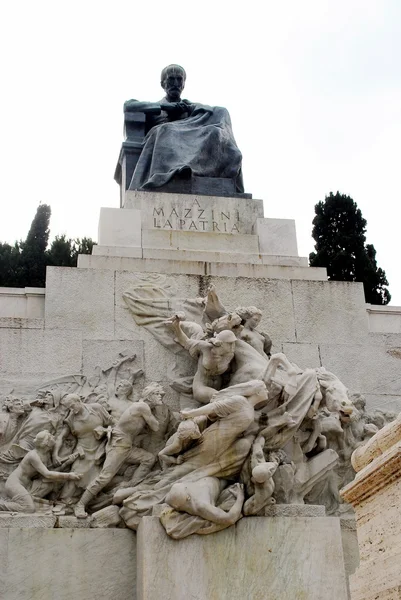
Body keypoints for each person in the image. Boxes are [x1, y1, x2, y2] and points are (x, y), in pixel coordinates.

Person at [124, 64, 244, 192]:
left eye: (179, 79)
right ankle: (172, 172)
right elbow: (129, 105)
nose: (175, 83)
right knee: (166, 131)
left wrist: (192, 109)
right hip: (163, 136)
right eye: (171, 79)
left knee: (216, 128)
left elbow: (213, 114)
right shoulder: (156, 106)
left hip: (191, 139)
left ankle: (198, 170)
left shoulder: (190, 106)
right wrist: (165, 108)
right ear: (162, 84)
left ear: (184, 84)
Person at [74, 383, 163, 518]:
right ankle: (80, 504)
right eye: (158, 394)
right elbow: (156, 427)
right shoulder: (142, 406)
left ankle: (130, 486)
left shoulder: (140, 405)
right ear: (150, 396)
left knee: (149, 458)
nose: (160, 397)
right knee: (105, 477)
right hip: (119, 444)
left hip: (126, 444)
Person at [53, 394, 114, 506]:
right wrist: (55, 454)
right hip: (82, 451)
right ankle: (64, 501)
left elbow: (113, 423)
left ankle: (87, 502)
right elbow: (61, 437)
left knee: (97, 477)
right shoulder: (71, 419)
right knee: (76, 475)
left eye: (72, 406)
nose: (71, 410)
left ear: (79, 401)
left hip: (100, 450)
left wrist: (105, 430)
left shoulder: (96, 408)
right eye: (68, 408)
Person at [0, 431, 81, 513]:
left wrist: (68, 462)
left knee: (50, 484)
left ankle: (22, 501)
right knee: (28, 508)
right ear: (46, 443)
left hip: (27, 484)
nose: (53, 437)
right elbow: (48, 474)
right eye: (50, 437)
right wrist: (69, 476)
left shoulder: (46, 454)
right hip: (14, 484)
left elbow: (51, 471)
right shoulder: (33, 456)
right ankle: (3, 504)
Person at [167, 314, 237, 404]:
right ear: (221, 343)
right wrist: (176, 326)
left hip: (219, 387)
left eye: (233, 343)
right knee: (220, 398)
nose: (232, 346)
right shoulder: (206, 347)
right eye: (230, 343)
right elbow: (186, 342)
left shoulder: (230, 355)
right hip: (201, 387)